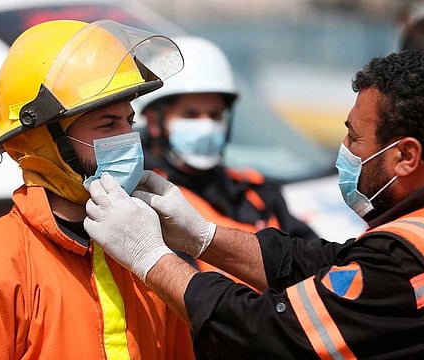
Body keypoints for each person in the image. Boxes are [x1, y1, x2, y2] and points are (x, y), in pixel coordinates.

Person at [84, 49, 424, 359]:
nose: (345, 148)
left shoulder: (402, 262)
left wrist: (151, 258)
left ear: (406, 156)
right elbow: (323, 263)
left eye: (355, 137)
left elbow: (267, 335)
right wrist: (203, 237)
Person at [0, 19, 195, 359]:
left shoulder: (150, 256)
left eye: (128, 121)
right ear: (41, 140)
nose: (128, 140)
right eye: (107, 123)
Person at [133, 35, 317, 262]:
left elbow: (314, 262)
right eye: (190, 115)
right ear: (154, 122)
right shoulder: (142, 199)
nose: (206, 126)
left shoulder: (256, 193)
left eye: (215, 115)